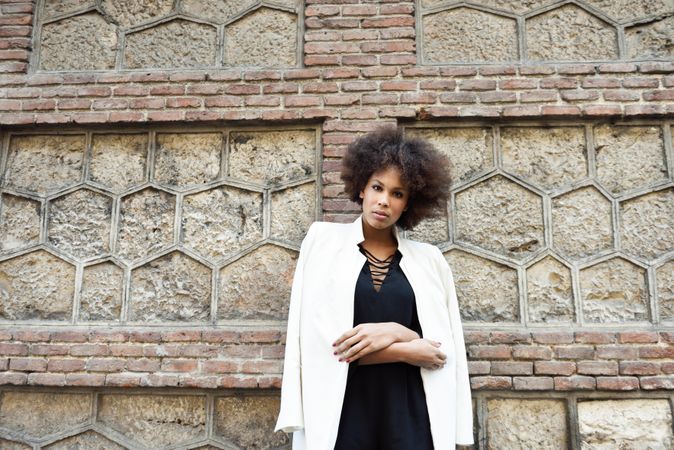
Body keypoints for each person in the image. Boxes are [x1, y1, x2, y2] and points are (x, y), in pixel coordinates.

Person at [275, 126, 473, 450]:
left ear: (409, 202)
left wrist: (395, 330)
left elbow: (439, 350)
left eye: (397, 193)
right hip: (343, 410)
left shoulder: (430, 260)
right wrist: (405, 347)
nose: (384, 201)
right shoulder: (322, 243)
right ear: (362, 188)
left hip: (411, 412)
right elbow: (320, 346)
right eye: (377, 187)